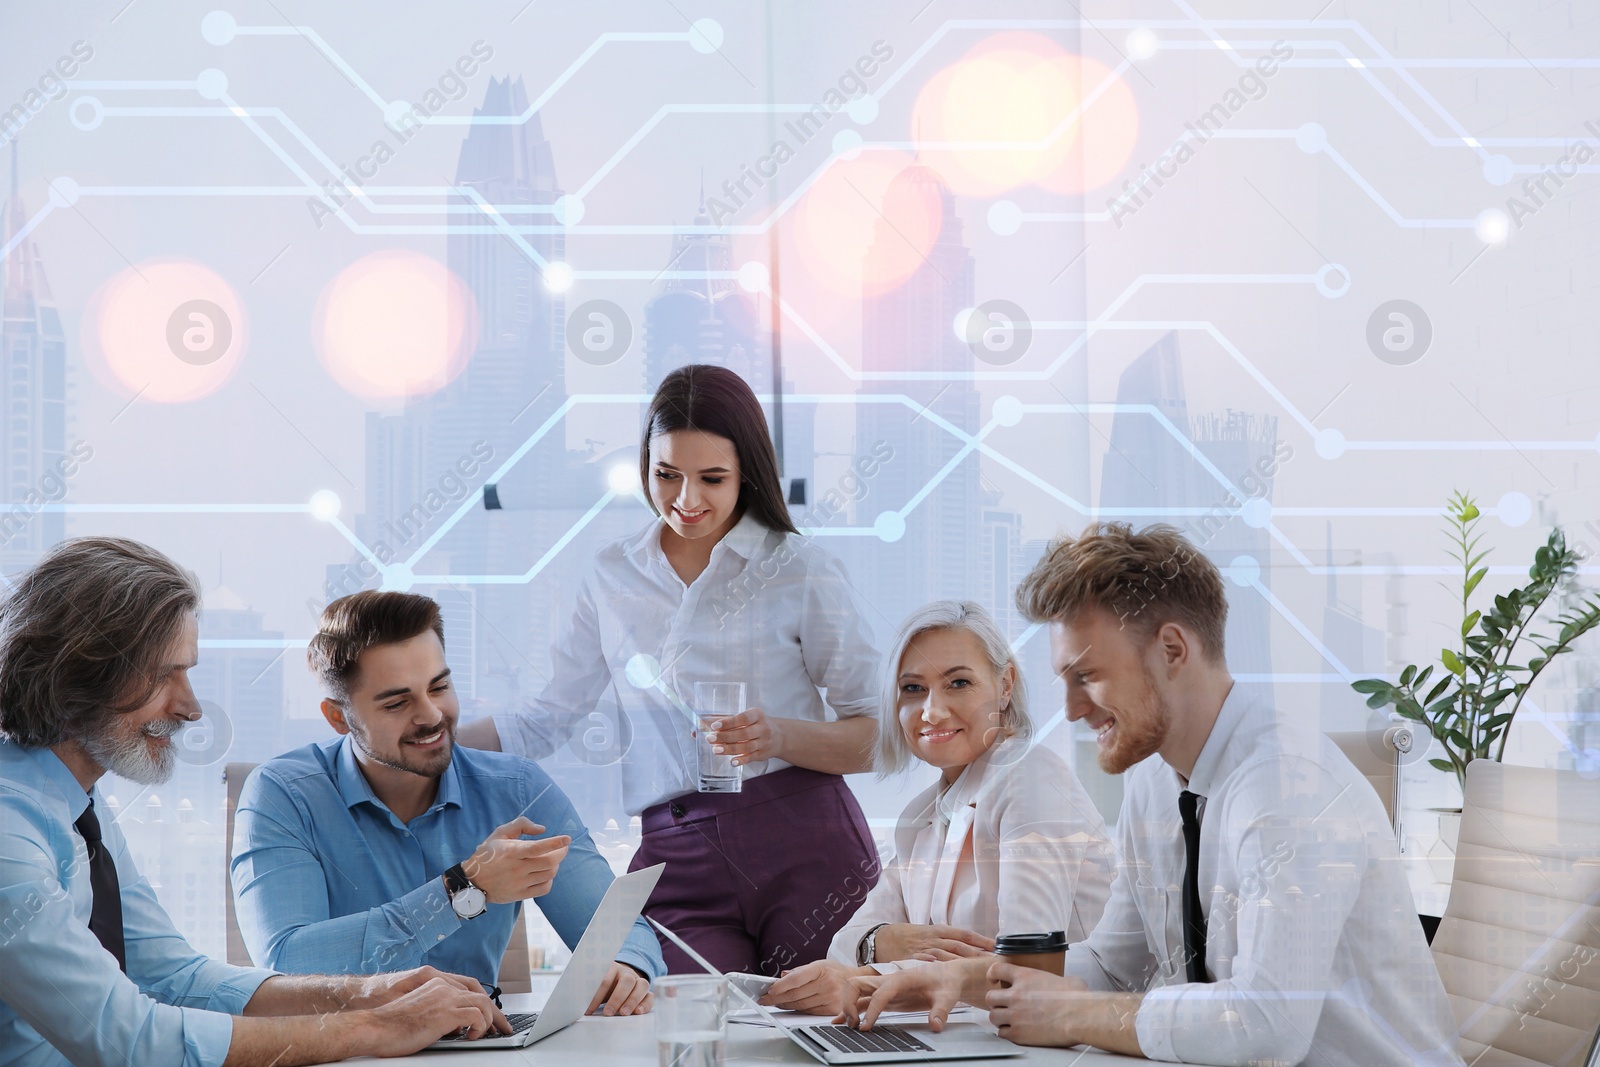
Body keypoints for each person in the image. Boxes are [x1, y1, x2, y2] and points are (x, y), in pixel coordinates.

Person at [844, 524, 1463, 1067]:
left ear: (1172, 649)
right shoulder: (1154, 779)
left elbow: (1268, 1026)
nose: (1071, 710)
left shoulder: (1285, 788)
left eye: (1088, 676)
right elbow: (1115, 966)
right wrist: (957, 978)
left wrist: (1069, 1017)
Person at [0, 537, 509, 1067]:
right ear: (76, 673)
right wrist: (378, 1027)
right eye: (160, 676)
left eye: (188, 672)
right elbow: (129, 1038)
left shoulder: (76, 806)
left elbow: (174, 976)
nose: (192, 708)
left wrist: (372, 993)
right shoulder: (9, 828)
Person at [458, 364, 882, 975]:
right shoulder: (610, 574)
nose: (687, 499)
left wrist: (778, 735)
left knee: (812, 1034)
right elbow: (546, 720)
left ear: (748, 473)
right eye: (666, 475)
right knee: (670, 1024)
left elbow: (875, 736)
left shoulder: (799, 569)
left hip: (806, 842)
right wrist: (433, 742)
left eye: (713, 478)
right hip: (676, 855)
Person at [231, 591, 664, 1017]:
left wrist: (625, 968)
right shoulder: (282, 794)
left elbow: (619, 929)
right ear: (338, 717)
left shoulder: (518, 788)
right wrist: (464, 889)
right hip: (347, 1054)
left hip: (478, 1048)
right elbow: (287, 964)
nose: (432, 715)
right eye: (398, 702)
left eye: (439, 686)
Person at [762, 601, 1114, 1017]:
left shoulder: (1030, 777)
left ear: (1005, 686)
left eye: (959, 683)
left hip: (1054, 1042)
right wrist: (883, 941)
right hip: (970, 1036)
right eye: (913, 689)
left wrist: (863, 981)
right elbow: (845, 943)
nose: (931, 710)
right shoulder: (920, 816)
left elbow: (1030, 966)